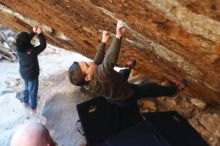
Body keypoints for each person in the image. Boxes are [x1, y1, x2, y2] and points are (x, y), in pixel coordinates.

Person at [68, 20, 187, 106]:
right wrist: (118, 35)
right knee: (151, 88)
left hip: (114, 88)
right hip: (126, 95)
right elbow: (109, 60)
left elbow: (96, 63)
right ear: (88, 77)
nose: (89, 62)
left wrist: (104, 42)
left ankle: (127, 68)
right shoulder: (100, 76)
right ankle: (172, 91)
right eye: (86, 65)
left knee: (122, 74)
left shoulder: (86, 81)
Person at [16, 26, 46, 113]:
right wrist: (39, 34)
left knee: (26, 87)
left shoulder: (18, 49)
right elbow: (43, 45)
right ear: (28, 43)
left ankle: (25, 102)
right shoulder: (32, 51)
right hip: (32, 75)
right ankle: (33, 108)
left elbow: (24, 41)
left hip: (23, 73)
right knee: (33, 91)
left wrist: (33, 32)